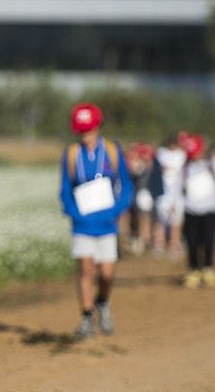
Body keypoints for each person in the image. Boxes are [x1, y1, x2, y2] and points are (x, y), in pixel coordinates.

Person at [58, 103, 134, 339]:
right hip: (82, 224)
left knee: (107, 273)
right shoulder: (71, 154)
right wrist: (73, 212)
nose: (86, 135)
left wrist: (117, 210)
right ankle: (86, 316)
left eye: (89, 129)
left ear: (98, 127)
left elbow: (126, 185)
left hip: (107, 224)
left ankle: (102, 302)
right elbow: (64, 188)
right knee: (85, 270)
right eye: (81, 130)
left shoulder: (112, 151)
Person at [178, 134, 215, 289]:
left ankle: (208, 269)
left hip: (209, 211)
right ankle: (193, 270)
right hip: (190, 211)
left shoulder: (212, 165)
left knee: (209, 241)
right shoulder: (185, 168)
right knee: (191, 242)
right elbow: (178, 189)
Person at [152, 133, 187, 256]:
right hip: (164, 193)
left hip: (178, 192)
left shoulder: (182, 155)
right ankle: (159, 243)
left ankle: (175, 244)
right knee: (161, 220)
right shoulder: (161, 153)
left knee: (176, 221)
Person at [125, 142, 154, 256]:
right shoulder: (129, 163)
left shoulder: (146, 163)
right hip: (132, 193)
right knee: (133, 217)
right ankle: (134, 238)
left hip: (143, 193)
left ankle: (144, 239)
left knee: (144, 216)